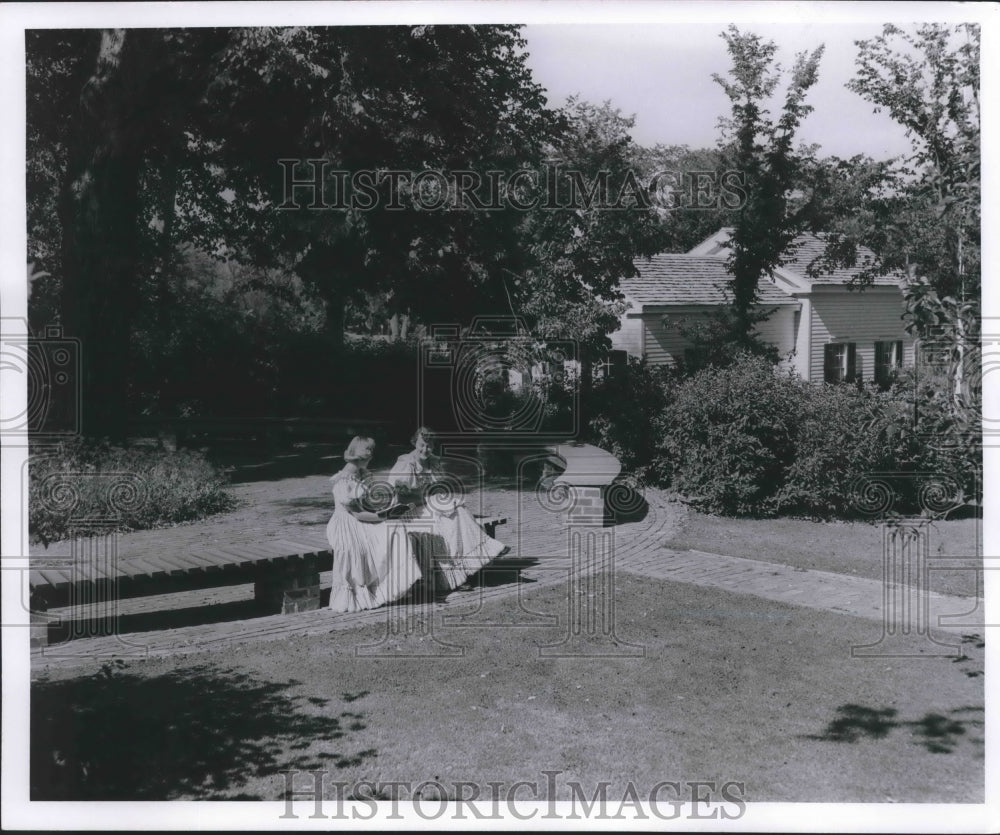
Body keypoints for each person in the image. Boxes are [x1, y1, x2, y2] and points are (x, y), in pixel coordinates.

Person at [389, 427, 507, 592]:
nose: (425, 449)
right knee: (445, 523)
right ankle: (453, 575)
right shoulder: (406, 464)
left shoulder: (433, 462)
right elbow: (401, 497)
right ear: (414, 442)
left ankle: (472, 561)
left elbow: (437, 488)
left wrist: (437, 499)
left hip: (427, 504)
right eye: (422, 445)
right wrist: (427, 499)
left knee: (457, 511)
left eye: (430, 446)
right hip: (409, 509)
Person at [326, 436, 423, 612]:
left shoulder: (363, 473)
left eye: (372, 450)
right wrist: (384, 517)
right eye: (367, 450)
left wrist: (393, 500)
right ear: (356, 453)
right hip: (347, 523)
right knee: (377, 536)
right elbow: (357, 513)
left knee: (396, 527)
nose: (371, 454)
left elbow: (369, 503)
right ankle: (370, 590)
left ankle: (390, 587)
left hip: (364, 517)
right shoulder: (345, 479)